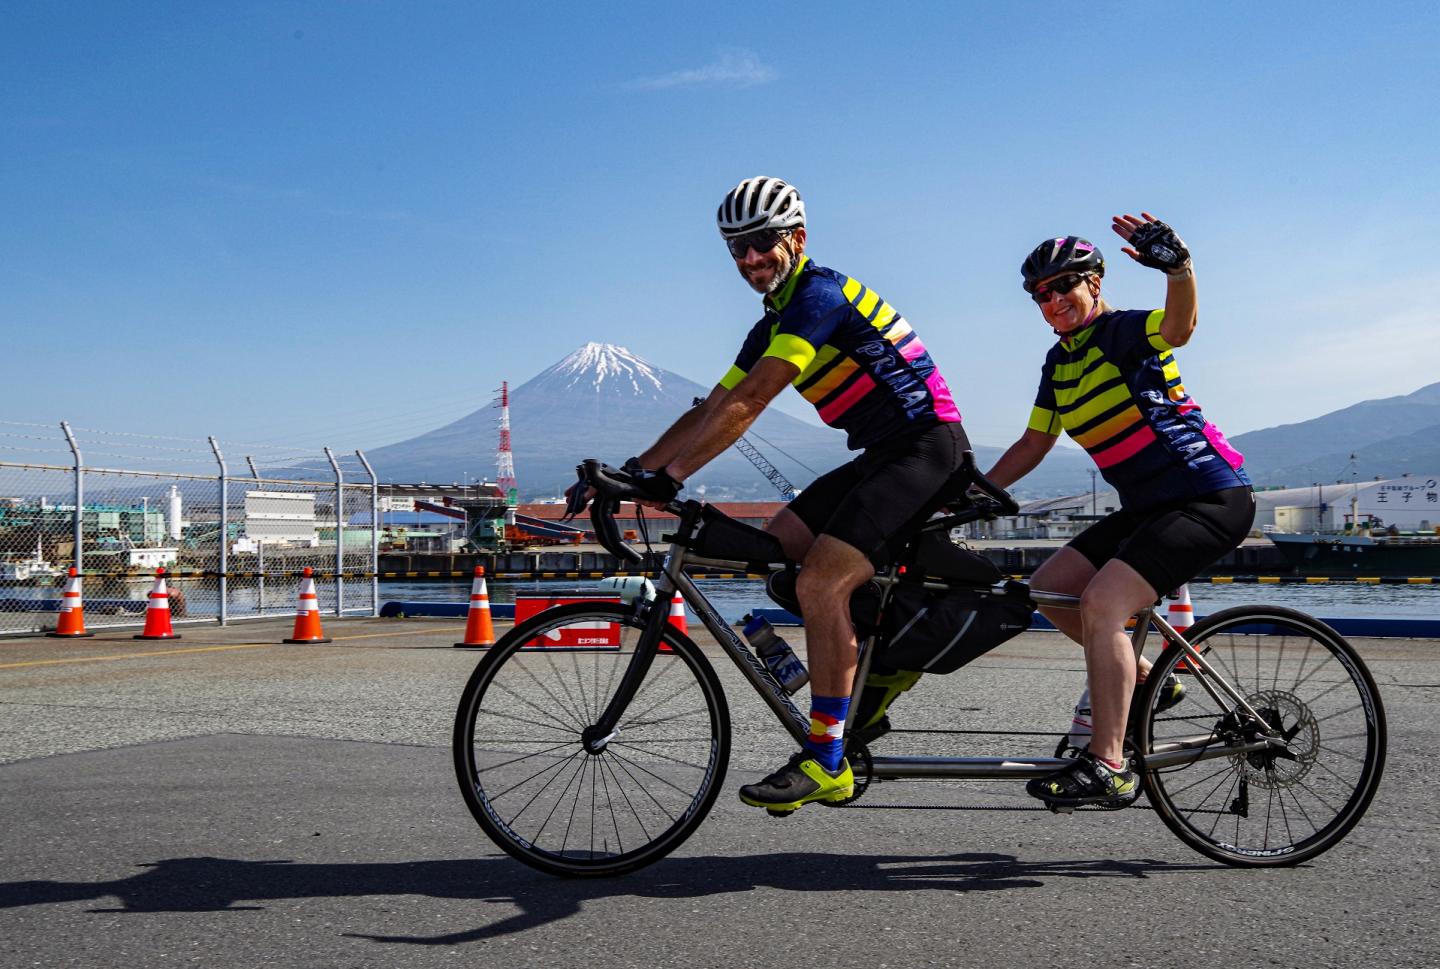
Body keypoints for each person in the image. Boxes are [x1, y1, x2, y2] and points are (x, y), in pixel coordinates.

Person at [614, 176, 969, 812]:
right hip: (881, 454)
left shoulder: (819, 297)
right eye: (737, 248)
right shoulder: (773, 320)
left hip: (926, 447)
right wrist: (631, 472)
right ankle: (869, 677)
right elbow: (714, 406)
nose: (751, 258)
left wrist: (673, 476)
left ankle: (827, 758)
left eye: (762, 242)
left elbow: (753, 399)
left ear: (797, 238)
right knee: (777, 546)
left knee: (821, 583)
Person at [985, 214, 1254, 809]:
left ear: (1095, 283)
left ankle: (1109, 765)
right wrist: (971, 492)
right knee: (1050, 587)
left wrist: (1178, 270)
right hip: (1149, 507)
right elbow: (1034, 443)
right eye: (1040, 294)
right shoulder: (1058, 363)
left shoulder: (1124, 332)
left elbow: (1180, 328)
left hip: (1206, 495)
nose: (1052, 301)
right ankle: (1151, 681)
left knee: (1103, 603)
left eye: (1063, 286)